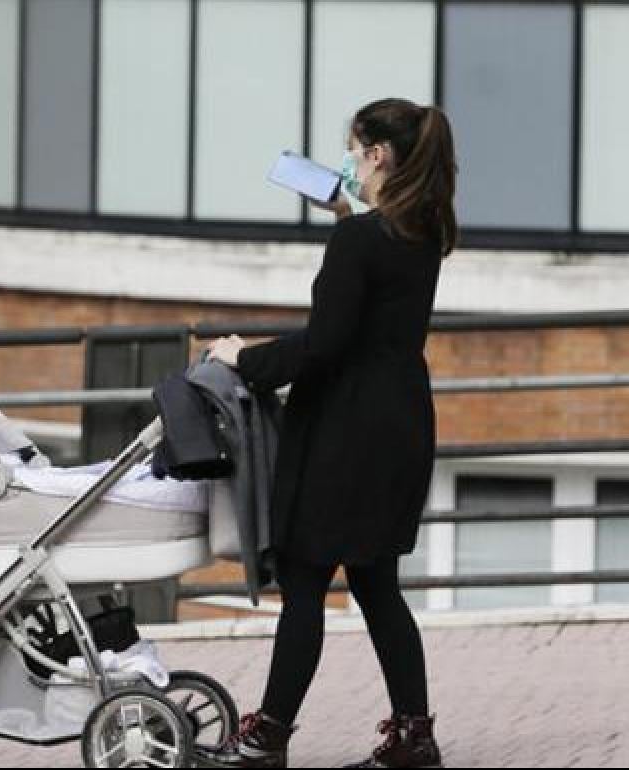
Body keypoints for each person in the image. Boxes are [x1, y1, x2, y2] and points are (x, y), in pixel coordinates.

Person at [203, 98, 458, 769]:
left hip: (346, 431)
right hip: (399, 423)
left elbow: (328, 345)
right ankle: (413, 737)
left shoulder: (360, 242)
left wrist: (243, 358)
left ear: (376, 155)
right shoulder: (423, 231)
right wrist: (346, 217)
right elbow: (373, 314)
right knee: (377, 583)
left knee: (307, 581)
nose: (345, 159)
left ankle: (266, 737)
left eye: (353, 148)